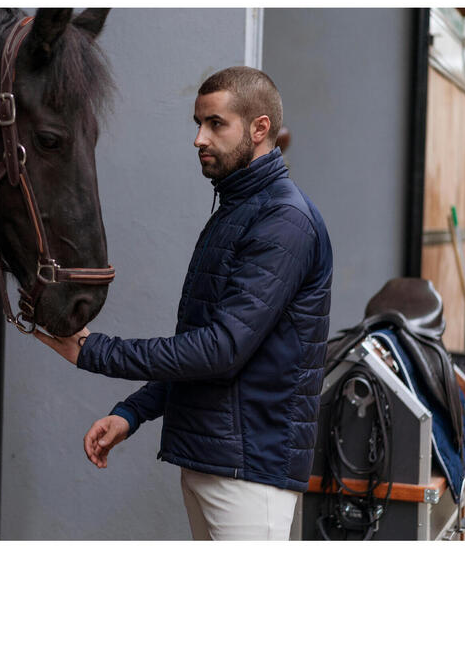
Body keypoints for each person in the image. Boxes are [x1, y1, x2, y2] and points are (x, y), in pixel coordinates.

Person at [34, 66, 333, 540]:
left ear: (259, 129)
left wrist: (93, 351)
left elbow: (220, 350)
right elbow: (198, 349)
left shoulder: (284, 221)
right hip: (212, 461)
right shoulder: (236, 211)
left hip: (250, 471)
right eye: (198, 123)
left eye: (216, 124)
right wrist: (132, 412)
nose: (199, 138)